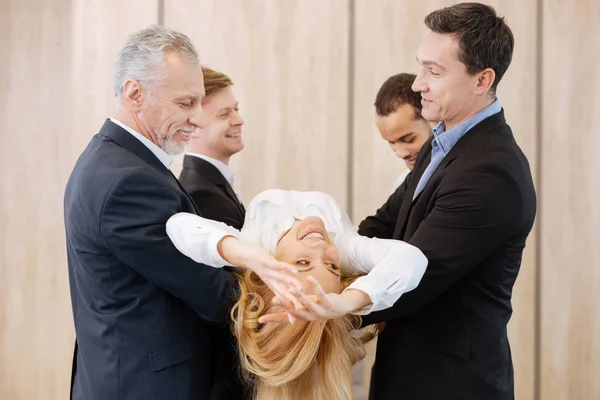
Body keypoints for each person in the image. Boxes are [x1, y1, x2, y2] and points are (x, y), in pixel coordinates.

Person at [64, 26, 297, 400]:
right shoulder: (128, 182)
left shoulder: (112, 161)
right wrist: (289, 291)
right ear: (135, 93)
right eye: (185, 104)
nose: (197, 118)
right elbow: (209, 290)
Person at [356, 4, 537, 399]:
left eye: (434, 72)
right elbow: (383, 225)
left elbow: (414, 277)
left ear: (481, 79)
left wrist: (319, 302)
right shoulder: (440, 143)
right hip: (408, 371)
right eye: (420, 66)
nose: (418, 83)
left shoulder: (491, 171)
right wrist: (319, 250)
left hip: (450, 384)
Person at [166, 189, 428, 399]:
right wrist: (348, 302)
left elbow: (177, 225)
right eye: (332, 268)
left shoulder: (257, 248)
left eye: (302, 263)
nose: (321, 248)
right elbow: (413, 259)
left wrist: (244, 254)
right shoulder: (344, 248)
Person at [178, 66, 247, 399]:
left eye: (236, 109)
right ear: (192, 128)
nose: (238, 120)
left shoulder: (212, 186)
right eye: (225, 114)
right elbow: (229, 297)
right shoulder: (202, 193)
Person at [373, 73, 434, 193]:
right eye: (391, 142)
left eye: (408, 140)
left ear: (433, 121)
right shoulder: (401, 185)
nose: (400, 154)